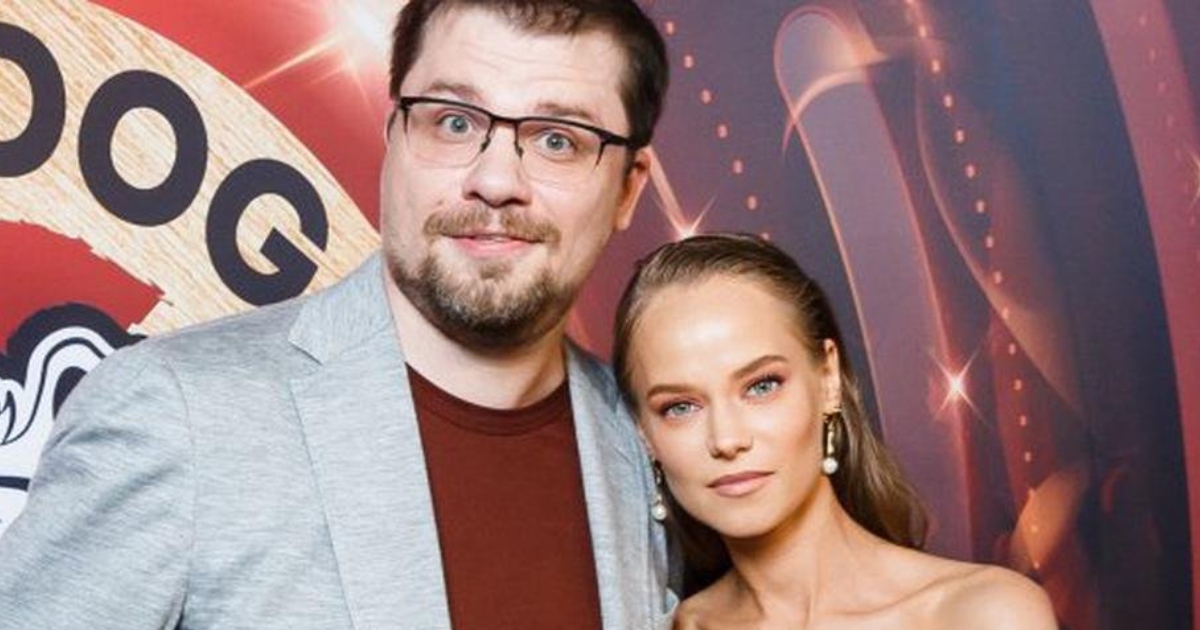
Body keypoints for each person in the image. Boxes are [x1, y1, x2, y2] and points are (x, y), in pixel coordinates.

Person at [0, 1, 676, 628]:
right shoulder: (174, 413)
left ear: (628, 188)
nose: (496, 181)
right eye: (454, 122)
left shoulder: (654, 444)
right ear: (393, 137)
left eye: (558, 140)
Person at [613, 233, 1057, 629]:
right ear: (644, 433)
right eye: (680, 407)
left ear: (827, 379)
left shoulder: (982, 614)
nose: (727, 440)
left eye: (761, 386)